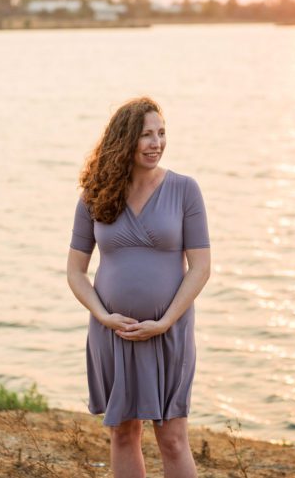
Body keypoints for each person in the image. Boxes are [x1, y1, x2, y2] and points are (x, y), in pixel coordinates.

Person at [66, 96, 212, 478]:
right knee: (123, 434)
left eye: (161, 133)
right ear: (124, 139)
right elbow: (76, 272)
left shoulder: (185, 190)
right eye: (147, 135)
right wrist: (103, 316)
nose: (156, 143)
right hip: (113, 333)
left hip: (169, 331)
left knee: (173, 438)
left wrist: (165, 322)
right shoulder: (96, 194)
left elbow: (200, 267)